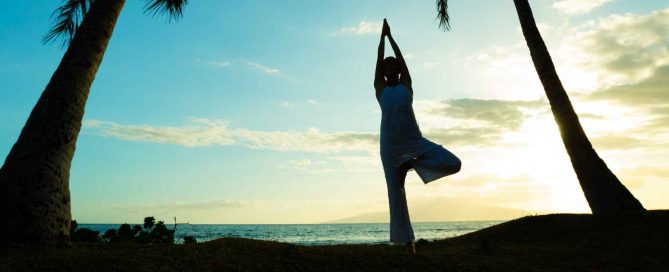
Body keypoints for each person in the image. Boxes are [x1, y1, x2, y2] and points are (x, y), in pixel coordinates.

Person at [374, 18, 462, 253]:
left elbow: (401, 58)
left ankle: (413, 165)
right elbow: (377, 59)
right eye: (387, 66)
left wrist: (392, 38)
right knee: (396, 194)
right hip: (390, 148)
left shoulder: (407, 85)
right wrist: (381, 40)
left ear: (399, 70)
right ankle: (408, 242)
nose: (391, 67)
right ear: (383, 71)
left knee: (454, 162)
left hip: (414, 142)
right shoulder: (380, 89)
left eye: (394, 65)